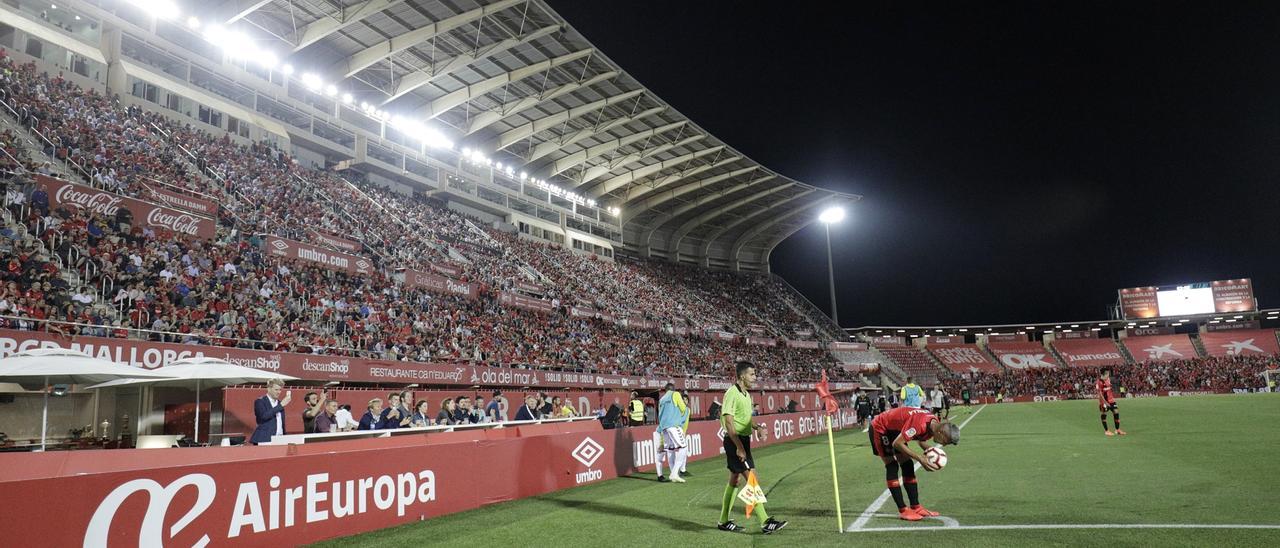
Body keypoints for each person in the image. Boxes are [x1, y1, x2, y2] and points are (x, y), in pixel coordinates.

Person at [717, 361, 787, 534]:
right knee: (751, 478)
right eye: (752, 374)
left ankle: (723, 521)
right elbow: (729, 422)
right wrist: (739, 447)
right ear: (742, 375)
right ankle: (765, 521)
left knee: (735, 479)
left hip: (743, 441)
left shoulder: (747, 395)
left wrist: (758, 427)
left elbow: (745, 420)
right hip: (734, 441)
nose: (755, 378)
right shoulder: (731, 393)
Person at [868, 406, 960, 521]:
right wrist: (920, 458)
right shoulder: (920, 423)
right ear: (941, 432)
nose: (944, 445)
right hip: (881, 427)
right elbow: (897, 443)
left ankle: (916, 507)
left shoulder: (934, 424)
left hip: (895, 429)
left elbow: (921, 440)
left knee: (908, 465)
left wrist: (932, 453)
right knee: (892, 465)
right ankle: (903, 510)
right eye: (946, 442)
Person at [656, 382, 691, 483]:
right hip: (674, 425)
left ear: (665, 390)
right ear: (673, 389)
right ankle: (674, 473)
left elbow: (660, 415)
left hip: (664, 427)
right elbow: (683, 407)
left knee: (670, 450)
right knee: (683, 447)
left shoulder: (661, 400)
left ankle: (672, 472)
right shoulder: (675, 394)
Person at [250, 380, 291, 445]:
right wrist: (281, 405)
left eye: (280, 390)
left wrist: (284, 437)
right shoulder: (260, 401)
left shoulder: (280, 403)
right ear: (269, 389)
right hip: (265, 439)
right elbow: (263, 417)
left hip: (280, 439)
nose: (279, 392)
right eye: (276, 389)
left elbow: (281, 423)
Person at [1097, 369, 1125, 436]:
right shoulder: (1099, 382)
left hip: (1111, 400)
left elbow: (1116, 385)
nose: (1109, 375)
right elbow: (1100, 394)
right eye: (1108, 374)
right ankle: (1106, 431)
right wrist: (1105, 402)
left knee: (1116, 412)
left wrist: (1121, 390)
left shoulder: (1108, 379)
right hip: (1104, 402)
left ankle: (1117, 430)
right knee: (1104, 414)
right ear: (1104, 374)